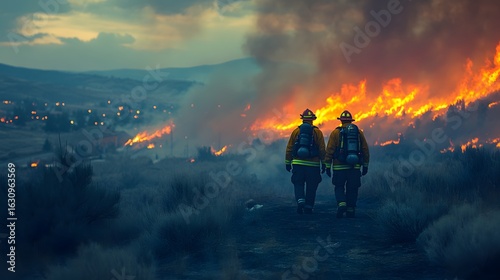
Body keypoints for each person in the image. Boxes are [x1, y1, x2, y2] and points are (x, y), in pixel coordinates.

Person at [324, 110, 370, 218]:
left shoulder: (335, 133)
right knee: (352, 188)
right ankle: (350, 209)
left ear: (341, 121)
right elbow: (365, 149)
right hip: (354, 167)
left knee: (339, 186)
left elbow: (329, 149)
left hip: (338, 167)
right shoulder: (358, 133)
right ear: (351, 120)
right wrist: (365, 165)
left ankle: (341, 204)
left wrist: (327, 166)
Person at [285, 109, 327, 214]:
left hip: (298, 164)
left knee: (298, 183)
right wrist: (324, 164)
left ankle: (300, 201)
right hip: (313, 165)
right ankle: (308, 206)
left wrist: (287, 162)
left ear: (302, 119)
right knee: (311, 186)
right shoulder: (317, 132)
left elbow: (290, 148)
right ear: (312, 120)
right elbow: (322, 149)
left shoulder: (296, 131)